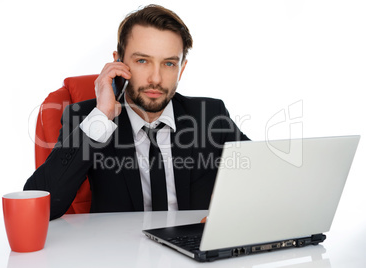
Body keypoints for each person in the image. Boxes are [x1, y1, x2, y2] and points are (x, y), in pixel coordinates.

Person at [24, 4, 249, 220]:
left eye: (169, 64)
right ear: (118, 62)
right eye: (142, 61)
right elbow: (39, 206)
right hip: (121, 255)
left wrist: (229, 216)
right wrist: (101, 116)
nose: (156, 79)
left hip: (193, 254)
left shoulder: (211, 115)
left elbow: (265, 180)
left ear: (181, 69)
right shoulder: (88, 118)